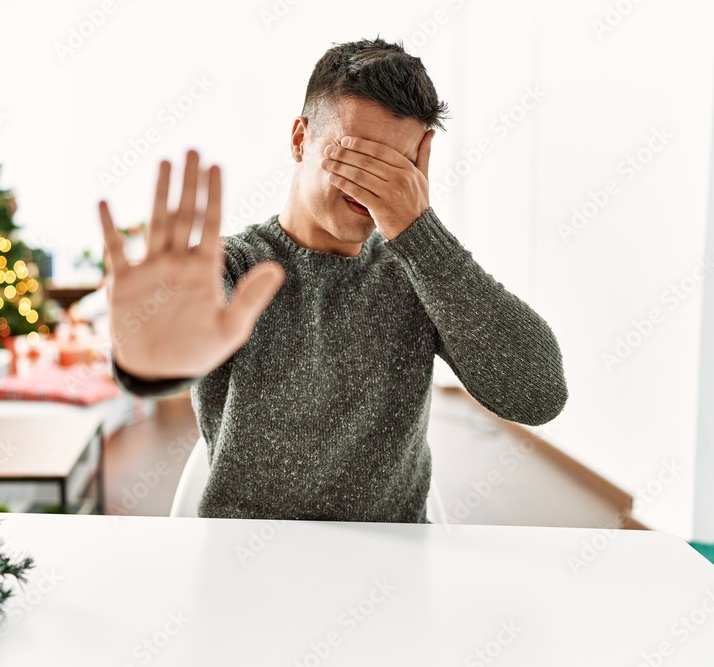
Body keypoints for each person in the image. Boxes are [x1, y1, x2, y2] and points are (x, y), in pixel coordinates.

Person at [97, 37, 568, 524]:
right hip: (245, 562)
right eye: (356, 157)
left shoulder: (421, 271)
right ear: (300, 139)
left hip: (393, 561)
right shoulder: (233, 267)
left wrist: (419, 232)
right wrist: (151, 364)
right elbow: (174, 342)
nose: (371, 187)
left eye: (396, 168)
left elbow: (539, 395)